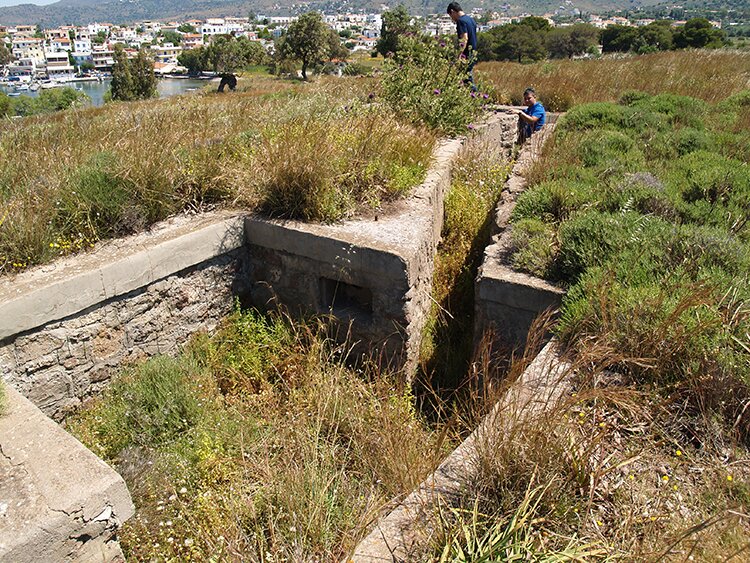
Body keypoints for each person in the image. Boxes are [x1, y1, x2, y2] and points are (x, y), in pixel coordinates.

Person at [446, 2, 477, 89]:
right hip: (473, 53)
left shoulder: (461, 21)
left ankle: (476, 99)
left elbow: (464, 38)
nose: (452, 19)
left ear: (452, 11)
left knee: (466, 78)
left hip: (466, 55)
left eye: (450, 16)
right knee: (464, 77)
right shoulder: (471, 20)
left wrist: (459, 54)